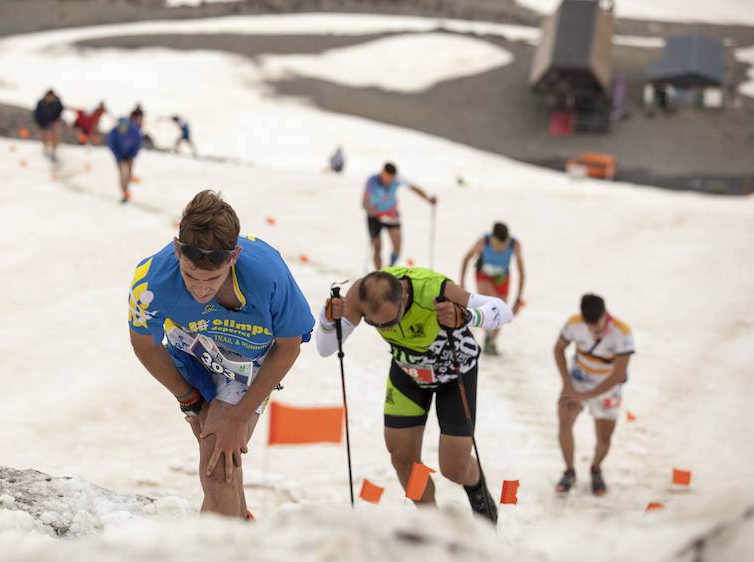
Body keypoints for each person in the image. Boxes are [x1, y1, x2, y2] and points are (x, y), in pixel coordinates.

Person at [128, 190, 314, 519]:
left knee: (218, 467)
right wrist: (188, 398)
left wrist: (238, 417)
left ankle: (221, 561)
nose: (200, 289)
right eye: (190, 276)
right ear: (176, 250)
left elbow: (289, 345)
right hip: (194, 349)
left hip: (248, 361)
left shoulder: (268, 274)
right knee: (216, 456)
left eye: (213, 278)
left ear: (234, 256)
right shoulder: (151, 281)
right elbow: (143, 342)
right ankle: (240, 541)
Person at [316, 267, 513, 523]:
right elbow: (326, 348)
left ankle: (479, 495)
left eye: (390, 321)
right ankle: (432, 522)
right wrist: (326, 317)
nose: (385, 329)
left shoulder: (435, 289)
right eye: (375, 323)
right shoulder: (361, 294)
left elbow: (503, 311)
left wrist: (466, 315)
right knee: (402, 458)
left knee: (453, 468)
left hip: (454, 375)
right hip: (409, 375)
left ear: (405, 299)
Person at [553, 294, 634, 496]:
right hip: (578, 380)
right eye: (588, 326)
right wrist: (567, 385)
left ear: (604, 315)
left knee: (604, 436)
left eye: (596, 326)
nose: (591, 331)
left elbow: (618, 375)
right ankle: (569, 471)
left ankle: (596, 468)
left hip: (607, 387)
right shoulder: (574, 323)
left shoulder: (622, 333)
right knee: (564, 420)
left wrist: (584, 396)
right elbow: (558, 349)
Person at [459, 222, 525, 355]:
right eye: (496, 246)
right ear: (492, 240)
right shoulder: (484, 241)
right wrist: (462, 283)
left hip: (502, 278)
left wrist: (518, 299)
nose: (500, 249)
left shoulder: (514, 245)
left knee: (502, 310)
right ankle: (488, 334)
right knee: (489, 303)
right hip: (484, 276)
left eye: (503, 246)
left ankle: (491, 340)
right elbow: (466, 258)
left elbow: (521, 272)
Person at [363, 162, 437, 270]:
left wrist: (428, 199)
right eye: (387, 179)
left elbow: (414, 188)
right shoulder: (372, 181)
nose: (388, 182)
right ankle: (378, 273)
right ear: (382, 175)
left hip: (391, 214)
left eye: (391, 180)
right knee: (377, 246)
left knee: (397, 248)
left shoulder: (398, 178)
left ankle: (388, 271)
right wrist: (370, 209)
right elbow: (363, 203)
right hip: (374, 217)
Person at [107, 116, 143, 203]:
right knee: (122, 174)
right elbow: (112, 147)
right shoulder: (113, 133)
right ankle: (125, 192)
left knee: (129, 172)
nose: (122, 129)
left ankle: (128, 180)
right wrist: (119, 158)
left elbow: (138, 143)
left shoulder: (134, 131)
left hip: (130, 154)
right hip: (119, 155)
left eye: (124, 128)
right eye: (120, 128)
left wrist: (132, 155)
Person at [33, 89, 64, 161]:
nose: (50, 98)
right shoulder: (41, 103)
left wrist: (55, 121)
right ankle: (45, 150)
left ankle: (53, 152)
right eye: (49, 97)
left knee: (55, 136)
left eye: (51, 97)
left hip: (54, 122)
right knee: (45, 136)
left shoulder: (57, 103)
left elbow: (60, 111)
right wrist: (40, 124)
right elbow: (37, 114)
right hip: (43, 123)